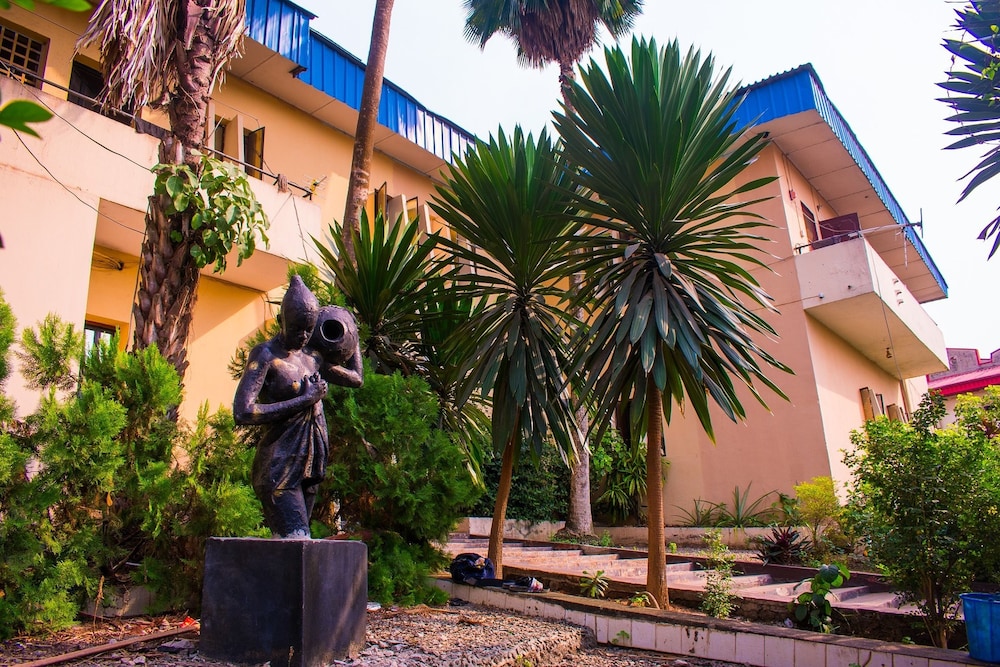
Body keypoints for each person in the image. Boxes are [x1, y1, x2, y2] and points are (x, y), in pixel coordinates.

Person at [233, 276, 362, 538]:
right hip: (279, 467)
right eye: (296, 329)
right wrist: (305, 400)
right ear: (281, 320)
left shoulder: (312, 358)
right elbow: (243, 411)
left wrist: (352, 332)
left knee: (298, 546)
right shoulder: (266, 356)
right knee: (296, 539)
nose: (303, 336)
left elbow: (356, 379)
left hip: (310, 464)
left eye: (308, 329)